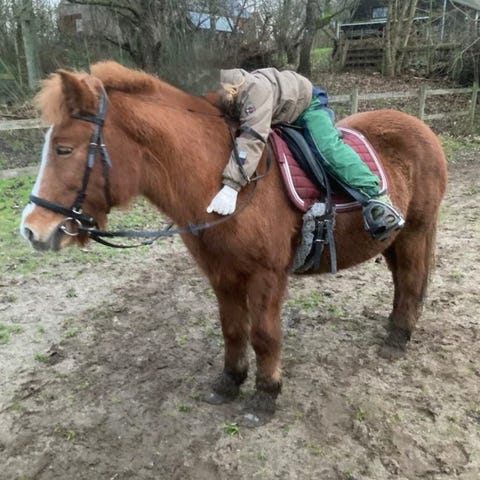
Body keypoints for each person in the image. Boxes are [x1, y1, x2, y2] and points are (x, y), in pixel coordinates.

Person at [206, 68, 405, 240]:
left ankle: (377, 197)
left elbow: (253, 136)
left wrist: (232, 185)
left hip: (308, 106)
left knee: (327, 149)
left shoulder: (252, 91)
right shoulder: (223, 91)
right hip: (279, 110)